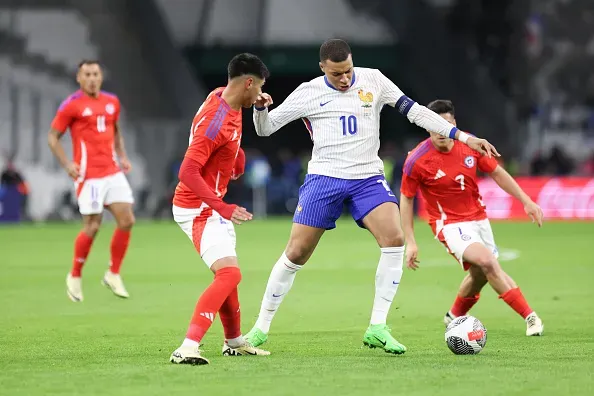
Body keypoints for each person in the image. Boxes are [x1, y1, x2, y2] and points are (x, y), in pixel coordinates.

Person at [245, 39, 499, 354]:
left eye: (348, 70)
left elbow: (416, 111)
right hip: (325, 177)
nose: (345, 79)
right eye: (337, 74)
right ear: (323, 68)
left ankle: (378, 326)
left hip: (367, 177)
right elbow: (265, 129)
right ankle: (260, 328)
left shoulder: (373, 80)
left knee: (394, 238)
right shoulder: (308, 92)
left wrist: (462, 136)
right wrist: (260, 109)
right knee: (296, 252)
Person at [399, 99, 545, 336]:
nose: (441, 132)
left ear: (454, 124)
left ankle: (454, 315)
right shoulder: (417, 160)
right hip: (448, 224)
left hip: (479, 218)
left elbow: (497, 172)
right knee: (488, 262)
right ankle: (530, 317)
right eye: (435, 125)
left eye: (446, 125)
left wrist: (526, 201)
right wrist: (411, 241)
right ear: (427, 126)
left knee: (480, 273)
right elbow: (406, 198)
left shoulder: (469, 144)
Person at [169, 53, 271, 365]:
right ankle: (187, 347)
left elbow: (229, 148)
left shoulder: (224, 96)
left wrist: (234, 162)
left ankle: (234, 341)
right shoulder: (215, 121)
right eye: (259, 88)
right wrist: (222, 207)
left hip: (210, 203)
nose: (260, 94)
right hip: (197, 207)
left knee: (229, 275)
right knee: (229, 273)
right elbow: (186, 171)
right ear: (249, 82)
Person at [48, 60, 135, 302]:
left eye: (96, 74)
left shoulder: (111, 102)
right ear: (79, 78)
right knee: (93, 226)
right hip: (89, 176)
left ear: (101, 76)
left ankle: (113, 273)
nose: (92, 78)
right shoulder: (71, 105)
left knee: (127, 219)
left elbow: (116, 131)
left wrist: (123, 156)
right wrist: (67, 164)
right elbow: (53, 137)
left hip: (112, 170)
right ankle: (75, 275)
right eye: (87, 74)